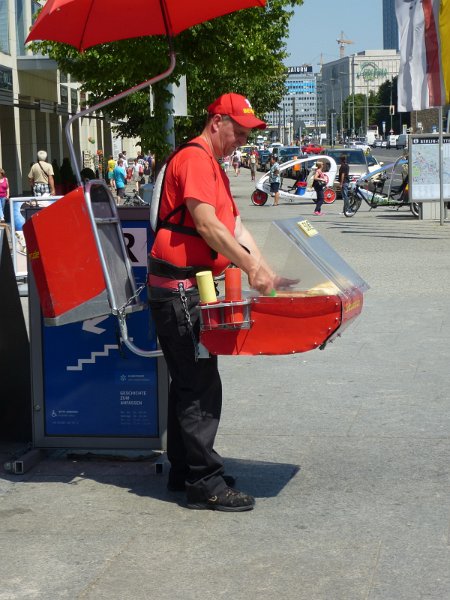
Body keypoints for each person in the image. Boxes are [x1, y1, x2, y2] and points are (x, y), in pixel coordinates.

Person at [148, 92, 284, 513]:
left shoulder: (214, 167)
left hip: (191, 289)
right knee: (200, 383)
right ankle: (204, 481)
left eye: (246, 134)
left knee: (189, 379)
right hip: (179, 292)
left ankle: (184, 468)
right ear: (216, 122)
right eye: (238, 132)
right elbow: (206, 226)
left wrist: (265, 272)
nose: (241, 141)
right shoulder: (193, 160)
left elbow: (236, 227)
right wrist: (250, 267)